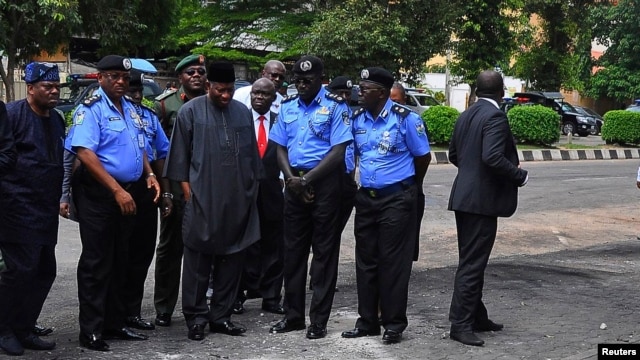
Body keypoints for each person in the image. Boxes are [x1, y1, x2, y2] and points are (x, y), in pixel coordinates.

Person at [163, 61, 263, 341]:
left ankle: (221, 316)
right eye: (220, 90)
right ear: (208, 86)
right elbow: (179, 159)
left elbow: (251, 159)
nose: (226, 96)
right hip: (202, 199)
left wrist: (249, 194)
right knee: (197, 261)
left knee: (232, 260)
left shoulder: (243, 112)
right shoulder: (189, 112)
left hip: (237, 200)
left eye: (230, 90)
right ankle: (196, 318)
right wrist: (188, 194)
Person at [66, 55, 160, 352]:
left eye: (124, 78)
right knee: (97, 262)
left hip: (128, 192)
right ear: (101, 78)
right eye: (114, 76)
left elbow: (139, 146)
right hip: (99, 194)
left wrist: (150, 174)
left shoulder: (131, 110)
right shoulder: (90, 110)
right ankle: (91, 330)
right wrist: (116, 190)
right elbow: (84, 152)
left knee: (122, 258)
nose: (120, 82)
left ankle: (114, 323)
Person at [340, 67, 431, 345]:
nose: (359, 92)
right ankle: (367, 321)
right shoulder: (356, 119)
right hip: (366, 199)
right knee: (366, 261)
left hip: (396, 199)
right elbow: (351, 156)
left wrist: (409, 188)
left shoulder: (405, 119)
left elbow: (422, 157)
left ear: (380, 93)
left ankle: (393, 323)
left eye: (364, 89)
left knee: (393, 263)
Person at [268, 55, 353, 340]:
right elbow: (279, 146)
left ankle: (318, 320)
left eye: (308, 80)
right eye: (298, 80)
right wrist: (293, 180)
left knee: (324, 255)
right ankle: (293, 317)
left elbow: (338, 151)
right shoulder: (288, 107)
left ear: (321, 80)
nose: (301, 84)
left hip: (325, 185)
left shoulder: (336, 107)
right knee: (292, 253)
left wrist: (307, 180)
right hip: (293, 184)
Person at [447, 70, 528, 347]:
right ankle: (460, 324)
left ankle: (476, 316)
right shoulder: (495, 117)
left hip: (464, 199)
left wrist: (472, 176)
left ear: (476, 90)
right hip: (480, 202)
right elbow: (492, 156)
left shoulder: (465, 115)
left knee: (472, 260)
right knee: (472, 264)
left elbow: (454, 155)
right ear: (502, 91)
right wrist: (519, 175)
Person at [0, 62, 65, 356]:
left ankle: (24, 327)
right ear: (30, 88)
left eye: (56, 87)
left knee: (43, 271)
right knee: (19, 271)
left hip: (45, 208)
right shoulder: (12, 115)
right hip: (16, 206)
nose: (54, 92)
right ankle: (4, 329)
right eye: (47, 87)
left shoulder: (57, 120)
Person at [153, 54, 207, 327]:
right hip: (175, 184)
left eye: (200, 71)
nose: (196, 75)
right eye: (190, 72)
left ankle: (201, 303)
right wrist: (164, 192)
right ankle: (164, 307)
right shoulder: (166, 106)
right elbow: (157, 151)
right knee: (171, 246)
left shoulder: (214, 101)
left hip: (206, 184)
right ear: (180, 78)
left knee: (206, 245)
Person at [122, 69, 171, 331]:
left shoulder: (150, 118)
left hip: (147, 187)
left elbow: (162, 154)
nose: (137, 96)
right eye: (132, 91)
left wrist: (165, 192)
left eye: (139, 91)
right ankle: (112, 314)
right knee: (118, 253)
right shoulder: (111, 113)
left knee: (142, 253)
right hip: (119, 186)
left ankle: (131, 312)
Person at [234, 78, 286, 315]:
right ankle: (236, 295)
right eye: (255, 93)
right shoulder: (238, 120)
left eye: (265, 94)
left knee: (274, 246)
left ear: (273, 98)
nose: (259, 98)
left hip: (273, 193)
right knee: (241, 245)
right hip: (243, 193)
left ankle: (271, 297)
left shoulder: (281, 123)